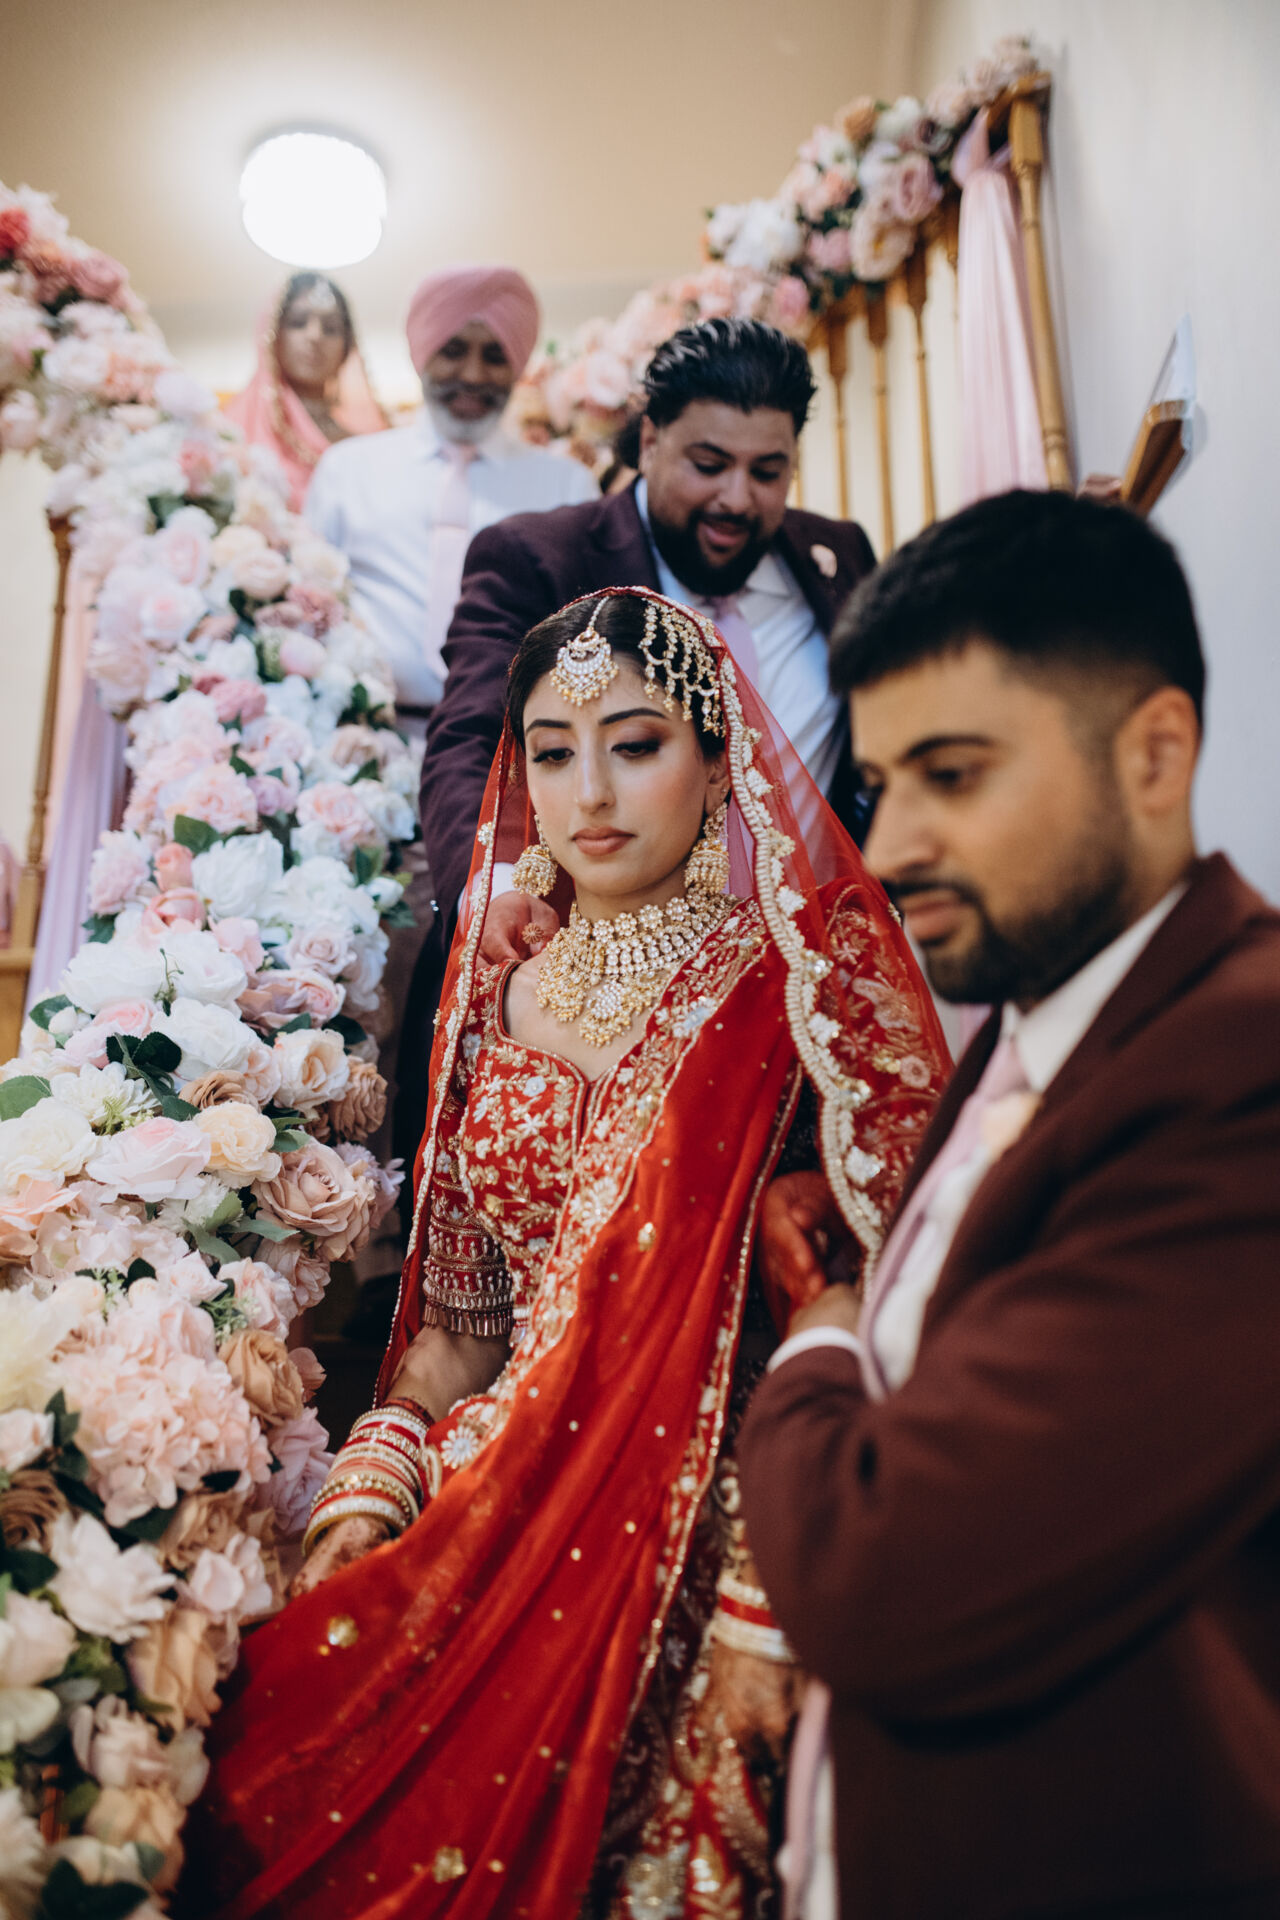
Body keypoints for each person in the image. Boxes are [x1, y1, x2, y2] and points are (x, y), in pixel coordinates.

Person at [182, 588, 948, 1920]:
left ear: (719, 761)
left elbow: (901, 1309)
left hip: (731, 1527)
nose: (587, 792)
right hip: (496, 1486)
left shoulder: (807, 990)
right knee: (267, 1767)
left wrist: (768, 1593)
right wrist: (370, 1489)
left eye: (636, 744)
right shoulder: (496, 1000)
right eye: (551, 751)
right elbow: (461, 1328)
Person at [737, 490, 1280, 1919]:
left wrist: (819, 1336)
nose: (891, 845)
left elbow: (881, 1575)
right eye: (880, 784)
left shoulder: (1242, 1066)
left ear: (1153, 752)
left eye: (953, 775)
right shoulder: (1047, 1014)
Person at [305, 268, 596, 1320]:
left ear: (518, 366)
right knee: (373, 990)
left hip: (513, 765)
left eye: (493, 355)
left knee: (494, 979)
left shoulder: (559, 475)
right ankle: (366, 1247)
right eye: (454, 351)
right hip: (371, 757)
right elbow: (308, 611)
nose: (472, 374)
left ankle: (480, 1242)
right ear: (419, 353)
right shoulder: (352, 468)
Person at [421, 318, 880, 963]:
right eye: (709, 465)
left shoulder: (838, 557)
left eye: (768, 471)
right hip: (588, 968)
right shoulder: (538, 559)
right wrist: (497, 891)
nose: (737, 498)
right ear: (650, 441)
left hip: (806, 969)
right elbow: (469, 740)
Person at [222, 273, 385, 512]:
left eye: (331, 328)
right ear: (272, 335)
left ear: (347, 346)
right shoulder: (232, 430)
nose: (315, 336)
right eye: (298, 323)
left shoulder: (365, 443)